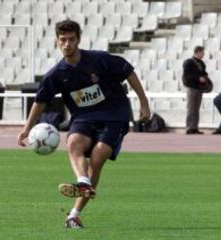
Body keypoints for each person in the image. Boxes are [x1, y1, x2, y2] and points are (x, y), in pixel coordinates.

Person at [17, 20, 151, 229]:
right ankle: (83, 183)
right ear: (57, 42)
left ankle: (75, 212)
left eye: (71, 39)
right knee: (73, 143)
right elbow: (40, 100)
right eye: (63, 40)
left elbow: (128, 72)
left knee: (97, 158)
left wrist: (144, 103)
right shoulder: (57, 74)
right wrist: (27, 128)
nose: (67, 44)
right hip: (84, 118)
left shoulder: (99, 60)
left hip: (114, 115)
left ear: (78, 40)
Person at [182, 46, 208, 134]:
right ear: (198, 52)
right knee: (191, 108)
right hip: (191, 87)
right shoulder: (189, 62)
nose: (203, 54)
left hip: (199, 88)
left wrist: (205, 78)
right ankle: (189, 127)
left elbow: (204, 73)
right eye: (202, 52)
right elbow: (187, 75)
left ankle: (194, 127)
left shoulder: (202, 63)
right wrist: (198, 78)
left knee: (196, 108)